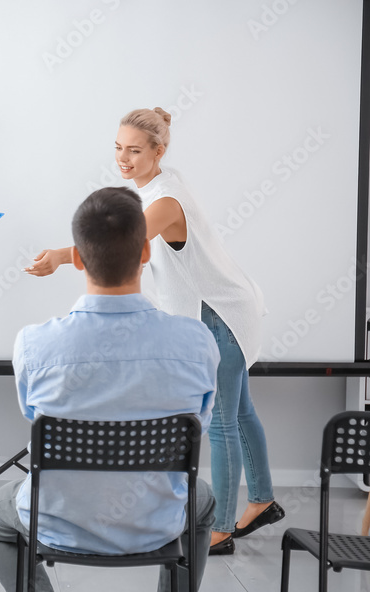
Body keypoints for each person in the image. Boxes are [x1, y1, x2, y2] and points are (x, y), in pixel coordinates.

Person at [0, 187, 220, 592]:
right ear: (147, 250)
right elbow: (199, 426)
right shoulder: (196, 341)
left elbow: (34, 415)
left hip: (58, 522)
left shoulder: (34, 344)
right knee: (202, 504)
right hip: (156, 523)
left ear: (78, 259)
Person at [27, 108, 284, 556]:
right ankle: (261, 500)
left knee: (223, 422)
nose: (123, 159)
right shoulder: (160, 183)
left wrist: (60, 255)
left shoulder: (164, 201)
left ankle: (220, 527)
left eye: (134, 151)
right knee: (240, 410)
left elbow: (120, 244)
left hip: (219, 314)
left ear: (158, 152)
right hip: (229, 307)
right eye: (118, 149)